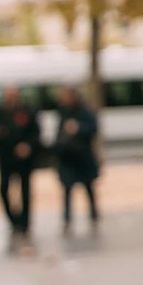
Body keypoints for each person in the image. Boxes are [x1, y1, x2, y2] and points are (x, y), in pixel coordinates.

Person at [0, 85, 42, 236]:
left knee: (25, 189)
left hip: (24, 159)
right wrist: (1, 133)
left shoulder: (27, 110)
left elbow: (36, 132)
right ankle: (13, 219)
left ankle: (25, 221)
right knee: (4, 189)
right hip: (6, 158)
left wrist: (28, 146)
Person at [54, 87, 100, 233]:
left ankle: (93, 215)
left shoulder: (84, 112)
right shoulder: (63, 112)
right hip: (68, 158)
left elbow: (94, 129)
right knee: (67, 189)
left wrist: (78, 128)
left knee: (88, 187)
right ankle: (67, 219)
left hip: (83, 157)